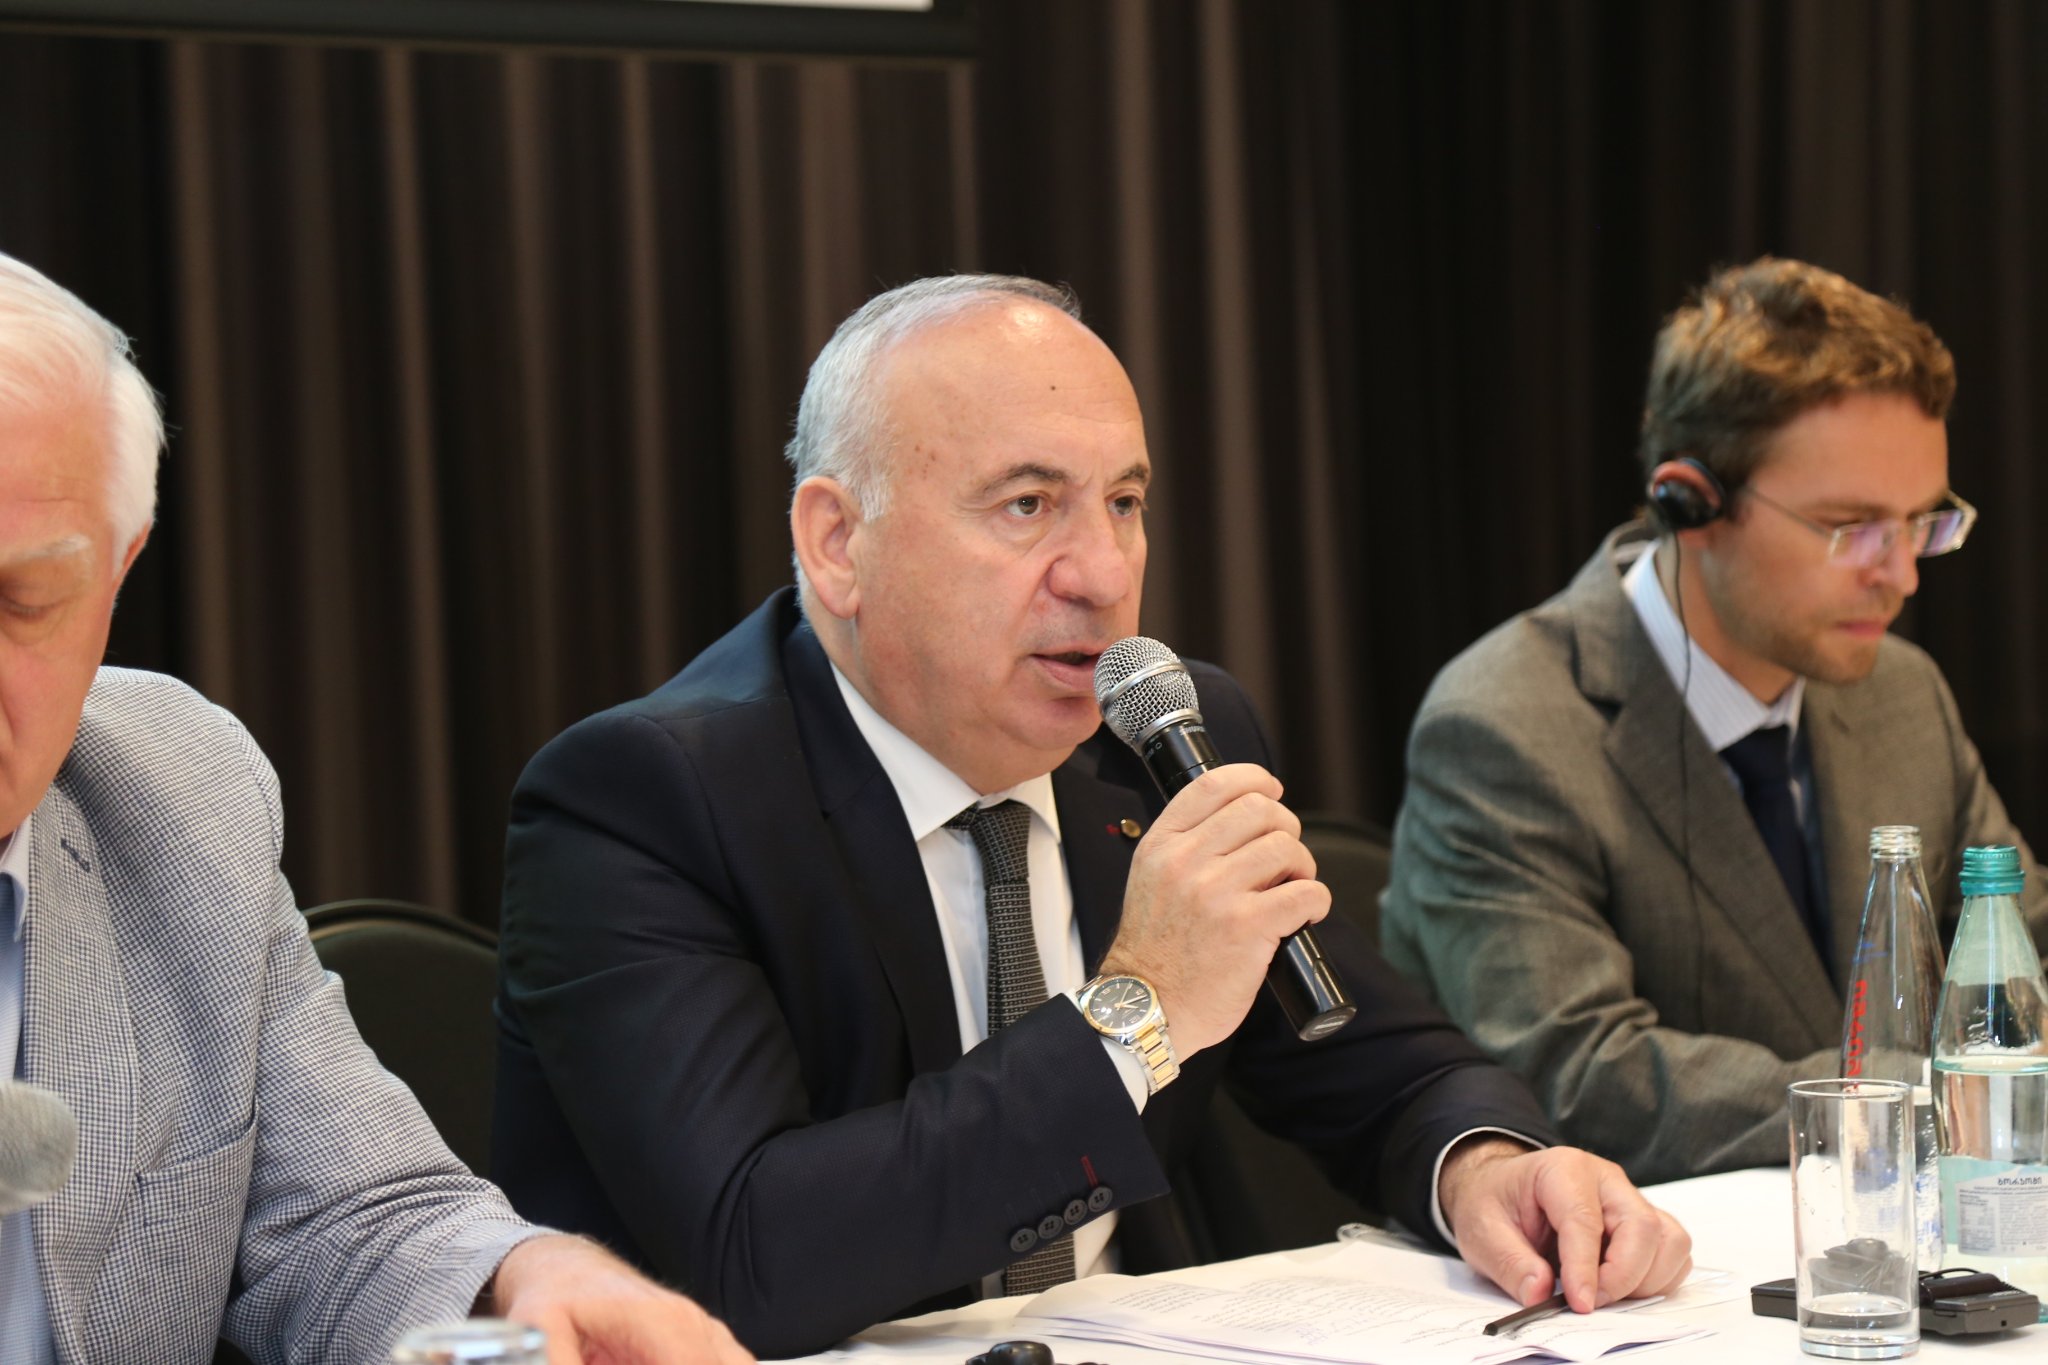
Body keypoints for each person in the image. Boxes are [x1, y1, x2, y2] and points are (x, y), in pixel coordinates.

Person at [493, 274, 1692, 1360]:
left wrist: (1486, 1165)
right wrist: (1137, 1011)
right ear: (837, 544)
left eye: (1123, 501)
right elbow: (750, 1256)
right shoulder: (645, 800)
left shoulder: (1160, 734)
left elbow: (1367, 1061)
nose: (1105, 575)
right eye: (1027, 506)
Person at [0, 252, 751, 1365]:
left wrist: (530, 1281)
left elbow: (352, 1223)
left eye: (21, 600)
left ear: (117, 572)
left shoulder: (180, 792)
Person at [1380, 256, 2048, 1186]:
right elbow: (1584, 1074)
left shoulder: (1903, 693)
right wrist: (1932, 1099)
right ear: (1691, 504)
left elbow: (2021, 953)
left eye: (1920, 523)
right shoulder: (1504, 725)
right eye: (1851, 527)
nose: (1901, 575)